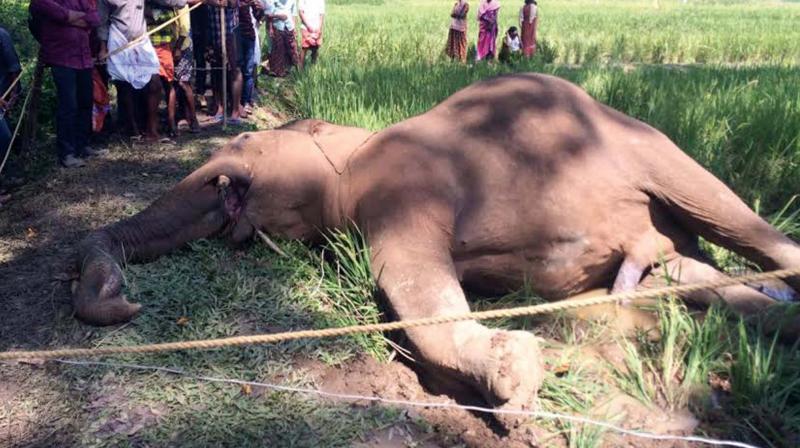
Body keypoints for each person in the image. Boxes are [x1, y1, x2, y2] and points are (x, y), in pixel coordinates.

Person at [97, 0, 187, 143]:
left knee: (155, 84)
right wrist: (103, 47)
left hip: (141, 40)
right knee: (125, 86)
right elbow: (102, 22)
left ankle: (152, 131)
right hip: (118, 40)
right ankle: (133, 131)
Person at [30, 0, 100, 167]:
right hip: (61, 58)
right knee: (68, 105)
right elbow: (60, 14)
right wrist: (76, 18)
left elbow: (95, 18)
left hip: (84, 57)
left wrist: (70, 18)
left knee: (85, 102)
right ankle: (67, 153)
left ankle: (82, 145)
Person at [207, 0, 244, 124]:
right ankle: (220, 108)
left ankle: (235, 111)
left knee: (235, 70)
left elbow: (233, 3)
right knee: (217, 70)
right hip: (213, 31)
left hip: (230, 31)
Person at [0, 26, 23, 203]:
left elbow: (14, 68)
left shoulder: (1, 35)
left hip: (3, 96)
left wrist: (14, 92)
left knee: (5, 138)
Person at [174, 3, 201, 133]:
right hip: (169, 46)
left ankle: (193, 119)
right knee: (174, 85)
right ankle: (181, 116)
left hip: (183, 47)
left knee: (183, 83)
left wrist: (178, 48)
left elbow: (184, 29)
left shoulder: (181, 4)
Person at [239, 0, 264, 115]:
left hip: (249, 36)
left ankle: (246, 101)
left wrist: (261, 9)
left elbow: (258, 17)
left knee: (248, 72)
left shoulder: (252, 2)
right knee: (237, 70)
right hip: (235, 36)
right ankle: (238, 103)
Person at [265, 0, 300, 77]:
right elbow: (270, 14)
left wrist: (294, 28)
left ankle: (295, 69)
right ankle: (278, 71)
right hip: (277, 25)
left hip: (289, 26)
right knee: (279, 48)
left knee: (292, 48)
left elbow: (294, 15)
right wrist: (270, 28)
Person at [298, 0, 325, 66]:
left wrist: (319, 28)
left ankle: (313, 67)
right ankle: (300, 70)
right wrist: (308, 25)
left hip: (317, 27)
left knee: (315, 48)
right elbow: (301, 12)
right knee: (304, 48)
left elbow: (321, 15)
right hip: (306, 27)